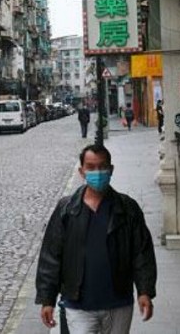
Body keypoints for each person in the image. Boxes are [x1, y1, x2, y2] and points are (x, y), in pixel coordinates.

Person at [36, 143, 157, 334]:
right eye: (91, 167)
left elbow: (142, 253)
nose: (97, 172)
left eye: (102, 167)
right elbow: (51, 256)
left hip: (119, 303)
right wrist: (47, 299)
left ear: (111, 169)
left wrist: (145, 291)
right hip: (78, 307)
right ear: (81, 171)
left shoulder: (127, 209)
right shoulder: (66, 210)